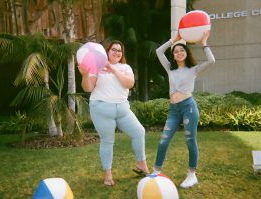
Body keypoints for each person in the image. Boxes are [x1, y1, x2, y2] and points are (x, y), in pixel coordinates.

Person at [78, 40, 150, 186]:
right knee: (107, 140)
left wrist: (112, 69)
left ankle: (141, 164)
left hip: (123, 109)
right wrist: (85, 75)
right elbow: (88, 88)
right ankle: (108, 176)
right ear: (107, 51)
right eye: (113, 49)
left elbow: (129, 84)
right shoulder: (96, 68)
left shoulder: (125, 67)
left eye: (119, 50)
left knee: (139, 132)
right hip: (101, 108)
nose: (117, 52)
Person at [153, 31, 215, 188]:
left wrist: (204, 43)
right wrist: (173, 40)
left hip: (189, 108)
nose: (179, 53)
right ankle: (156, 171)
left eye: (181, 50)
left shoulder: (193, 69)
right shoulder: (169, 69)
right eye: (176, 51)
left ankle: (192, 174)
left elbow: (211, 60)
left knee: (190, 140)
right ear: (173, 55)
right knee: (163, 140)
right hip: (173, 110)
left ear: (186, 53)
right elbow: (158, 51)